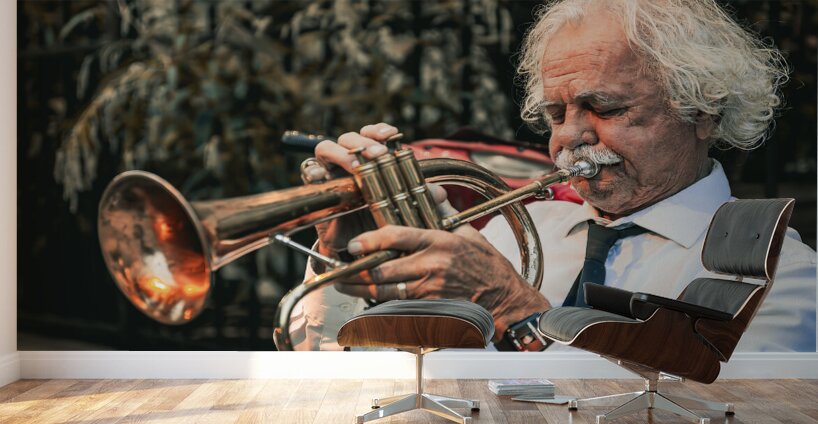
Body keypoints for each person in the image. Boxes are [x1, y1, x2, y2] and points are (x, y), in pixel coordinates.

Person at [288, 0, 816, 352]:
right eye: (556, 115)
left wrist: (514, 307)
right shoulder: (521, 230)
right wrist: (346, 259)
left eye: (603, 107)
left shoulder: (782, 276)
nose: (570, 139)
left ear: (703, 111)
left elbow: (715, 407)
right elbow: (340, 355)